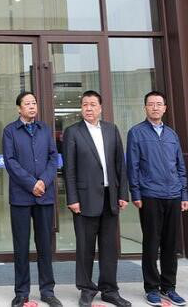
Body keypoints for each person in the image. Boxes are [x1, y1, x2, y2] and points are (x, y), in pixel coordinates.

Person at [62, 90, 131, 307]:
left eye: (93, 104)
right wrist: (72, 198)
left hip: (110, 198)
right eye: (85, 104)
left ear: (100, 108)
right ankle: (86, 289)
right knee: (85, 247)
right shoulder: (72, 132)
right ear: (81, 108)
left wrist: (123, 193)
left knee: (109, 248)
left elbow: (120, 164)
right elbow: (69, 169)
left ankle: (109, 290)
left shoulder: (111, 130)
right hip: (84, 199)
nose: (88, 108)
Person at [126, 91, 188, 306]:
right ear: (145, 107)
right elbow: (132, 166)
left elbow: (180, 167)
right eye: (151, 104)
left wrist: (184, 194)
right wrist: (136, 193)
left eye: (159, 104)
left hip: (173, 195)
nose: (155, 107)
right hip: (150, 195)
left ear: (165, 108)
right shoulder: (136, 133)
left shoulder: (172, 135)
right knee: (151, 243)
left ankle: (169, 287)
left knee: (170, 245)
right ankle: (151, 288)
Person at [2, 92, 62, 307]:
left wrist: (43, 181)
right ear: (19, 108)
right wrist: (31, 183)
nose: (32, 106)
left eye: (34, 103)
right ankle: (21, 292)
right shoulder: (10, 131)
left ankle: (47, 291)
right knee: (21, 246)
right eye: (27, 103)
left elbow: (53, 157)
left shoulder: (45, 129)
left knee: (45, 245)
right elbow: (10, 161)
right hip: (21, 197)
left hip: (44, 196)